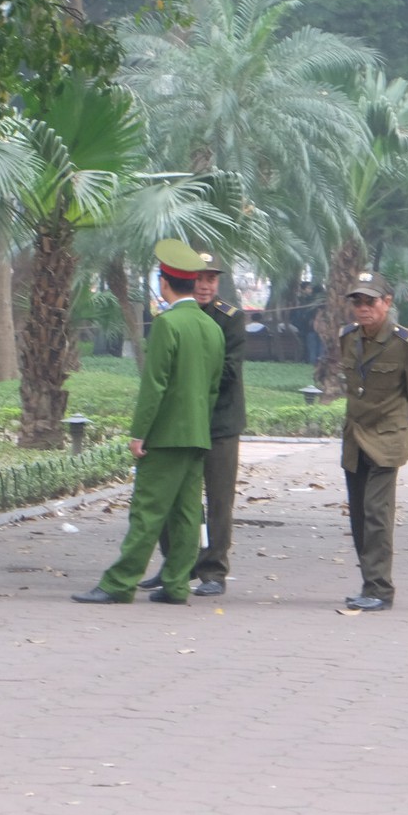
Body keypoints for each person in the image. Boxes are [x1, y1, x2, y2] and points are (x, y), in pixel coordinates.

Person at [74, 240, 225, 605]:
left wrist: (140, 432)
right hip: (197, 434)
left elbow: (154, 384)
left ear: (164, 282)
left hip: (165, 435)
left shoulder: (168, 325)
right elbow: (213, 388)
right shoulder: (212, 328)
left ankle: (119, 583)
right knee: (187, 513)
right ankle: (176, 584)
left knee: (147, 510)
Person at [146, 251, 247, 597]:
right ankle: (175, 564)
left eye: (211, 279)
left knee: (218, 499)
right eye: (199, 278)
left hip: (219, 422)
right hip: (181, 423)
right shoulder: (169, 317)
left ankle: (214, 570)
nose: (205, 286)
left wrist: (188, 383)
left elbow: (230, 371)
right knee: (172, 495)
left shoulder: (230, 318)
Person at [335, 271, 408, 612]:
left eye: (370, 301)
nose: (363, 308)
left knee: (377, 514)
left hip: (386, 439)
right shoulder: (347, 337)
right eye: (357, 302)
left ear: (387, 303)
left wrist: (398, 427)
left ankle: (380, 588)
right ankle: (368, 582)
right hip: (355, 438)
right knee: (359, 516)